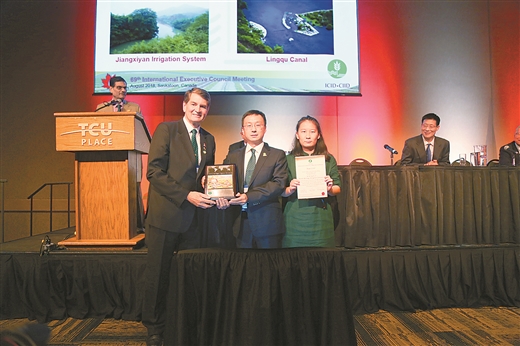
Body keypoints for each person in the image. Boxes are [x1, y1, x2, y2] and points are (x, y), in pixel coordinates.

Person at [141, 88, 216, 346]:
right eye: (194, 104)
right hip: (166, 217)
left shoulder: (209, 138)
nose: (198, 109)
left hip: (193, 220)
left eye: (203, 106)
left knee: (188, 275)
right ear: (184, 106)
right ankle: (154, 328)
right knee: (158, 275)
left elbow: (207, 175)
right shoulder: (166, 129)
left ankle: (184, 323)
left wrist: (209, 182)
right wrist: (187, 195)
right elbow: (154, 172)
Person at [217, 110, 288, 248]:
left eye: (258, 125)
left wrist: (248, 197)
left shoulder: (277, 154)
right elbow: (223, 181)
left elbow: (278, 184)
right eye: (249, 125)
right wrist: (214, 190)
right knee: (242, 267)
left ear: (265, 128)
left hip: (267, 223)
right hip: (239, 222)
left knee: (268, 266)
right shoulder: (233, 155)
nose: (253, 129)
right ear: (242, 130)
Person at [94, 75, 145, 232]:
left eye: (125, 88)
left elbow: (140, 131)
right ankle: (108, 224)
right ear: (111, 89)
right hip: (108, 157)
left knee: (133, 190)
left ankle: (137, 226)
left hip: (130, 156)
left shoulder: (134, 108)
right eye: (119, 88)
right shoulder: (101, 108)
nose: (123, 90)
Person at [281, 116, 341, 248]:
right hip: (295, 216)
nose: (308, 136)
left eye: (312, 132)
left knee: (322, 262)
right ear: (297, 135)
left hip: (320, 217)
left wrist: (330, 188)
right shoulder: (287, 159)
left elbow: (337, 189)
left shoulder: (328, 159)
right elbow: (281, 192)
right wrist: (290, 188)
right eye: (303, 132)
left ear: (319, 135)